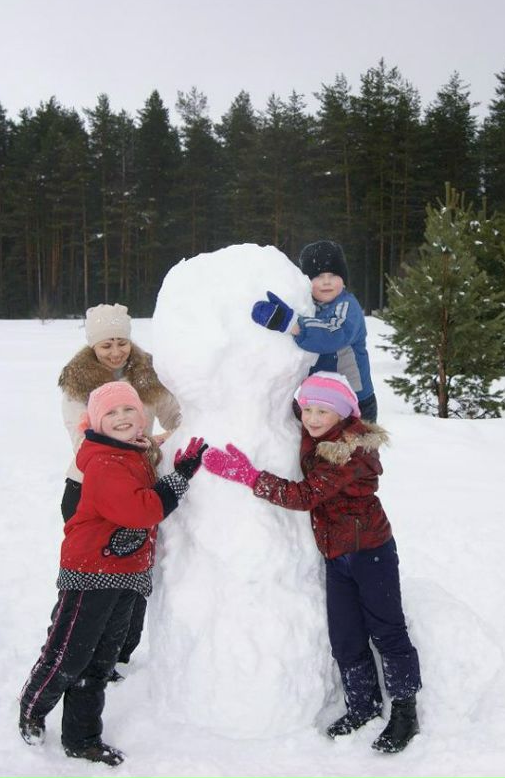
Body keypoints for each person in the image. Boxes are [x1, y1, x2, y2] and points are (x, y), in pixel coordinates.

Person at [202, 372, 421, 753]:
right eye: (307, 410)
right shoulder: (322, 432)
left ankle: (405, 710)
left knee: (387, 631)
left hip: (371, 552)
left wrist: (251, 476)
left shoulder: (350, 451)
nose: (313, 418)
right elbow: (292, 396)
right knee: (346, 637)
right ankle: (362, 705)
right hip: (337, 555)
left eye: (323, 411)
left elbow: (305, 496)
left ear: (343, 413)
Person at [19, 380, 207, 765]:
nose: (121, 418)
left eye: (129, 411)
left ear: (141, 417)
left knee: (100, 661)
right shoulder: (105, 462)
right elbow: (142, 511)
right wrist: (180, 479)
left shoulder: (134, 451)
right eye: (111, 413)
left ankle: (82, 737)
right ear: (95, 422)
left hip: (125, 571)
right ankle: (33, 706)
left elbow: (151, 454)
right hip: (91, 571)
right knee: (69, 653)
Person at [57, 302, 182, 680]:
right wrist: (136, 451)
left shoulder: (146, 374)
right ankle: (72, 657)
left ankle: (114, 657)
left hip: (137, 493)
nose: (115, 352)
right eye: (106, 344)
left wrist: (168, 440)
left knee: (131, 577)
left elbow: (178, 415)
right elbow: (82, 440)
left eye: (121, 342)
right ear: (92, 345)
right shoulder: (79, 381)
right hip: (89, 491)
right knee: (93, 585)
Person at [249, 240, 378, 422]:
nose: (326, 281)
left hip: (353, 403)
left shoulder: (347, 306)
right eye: (317, 276)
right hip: (317, 404)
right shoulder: (308, 307)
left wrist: (290, 323)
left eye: (333, 274)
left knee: (354, 450)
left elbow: (333, 334)